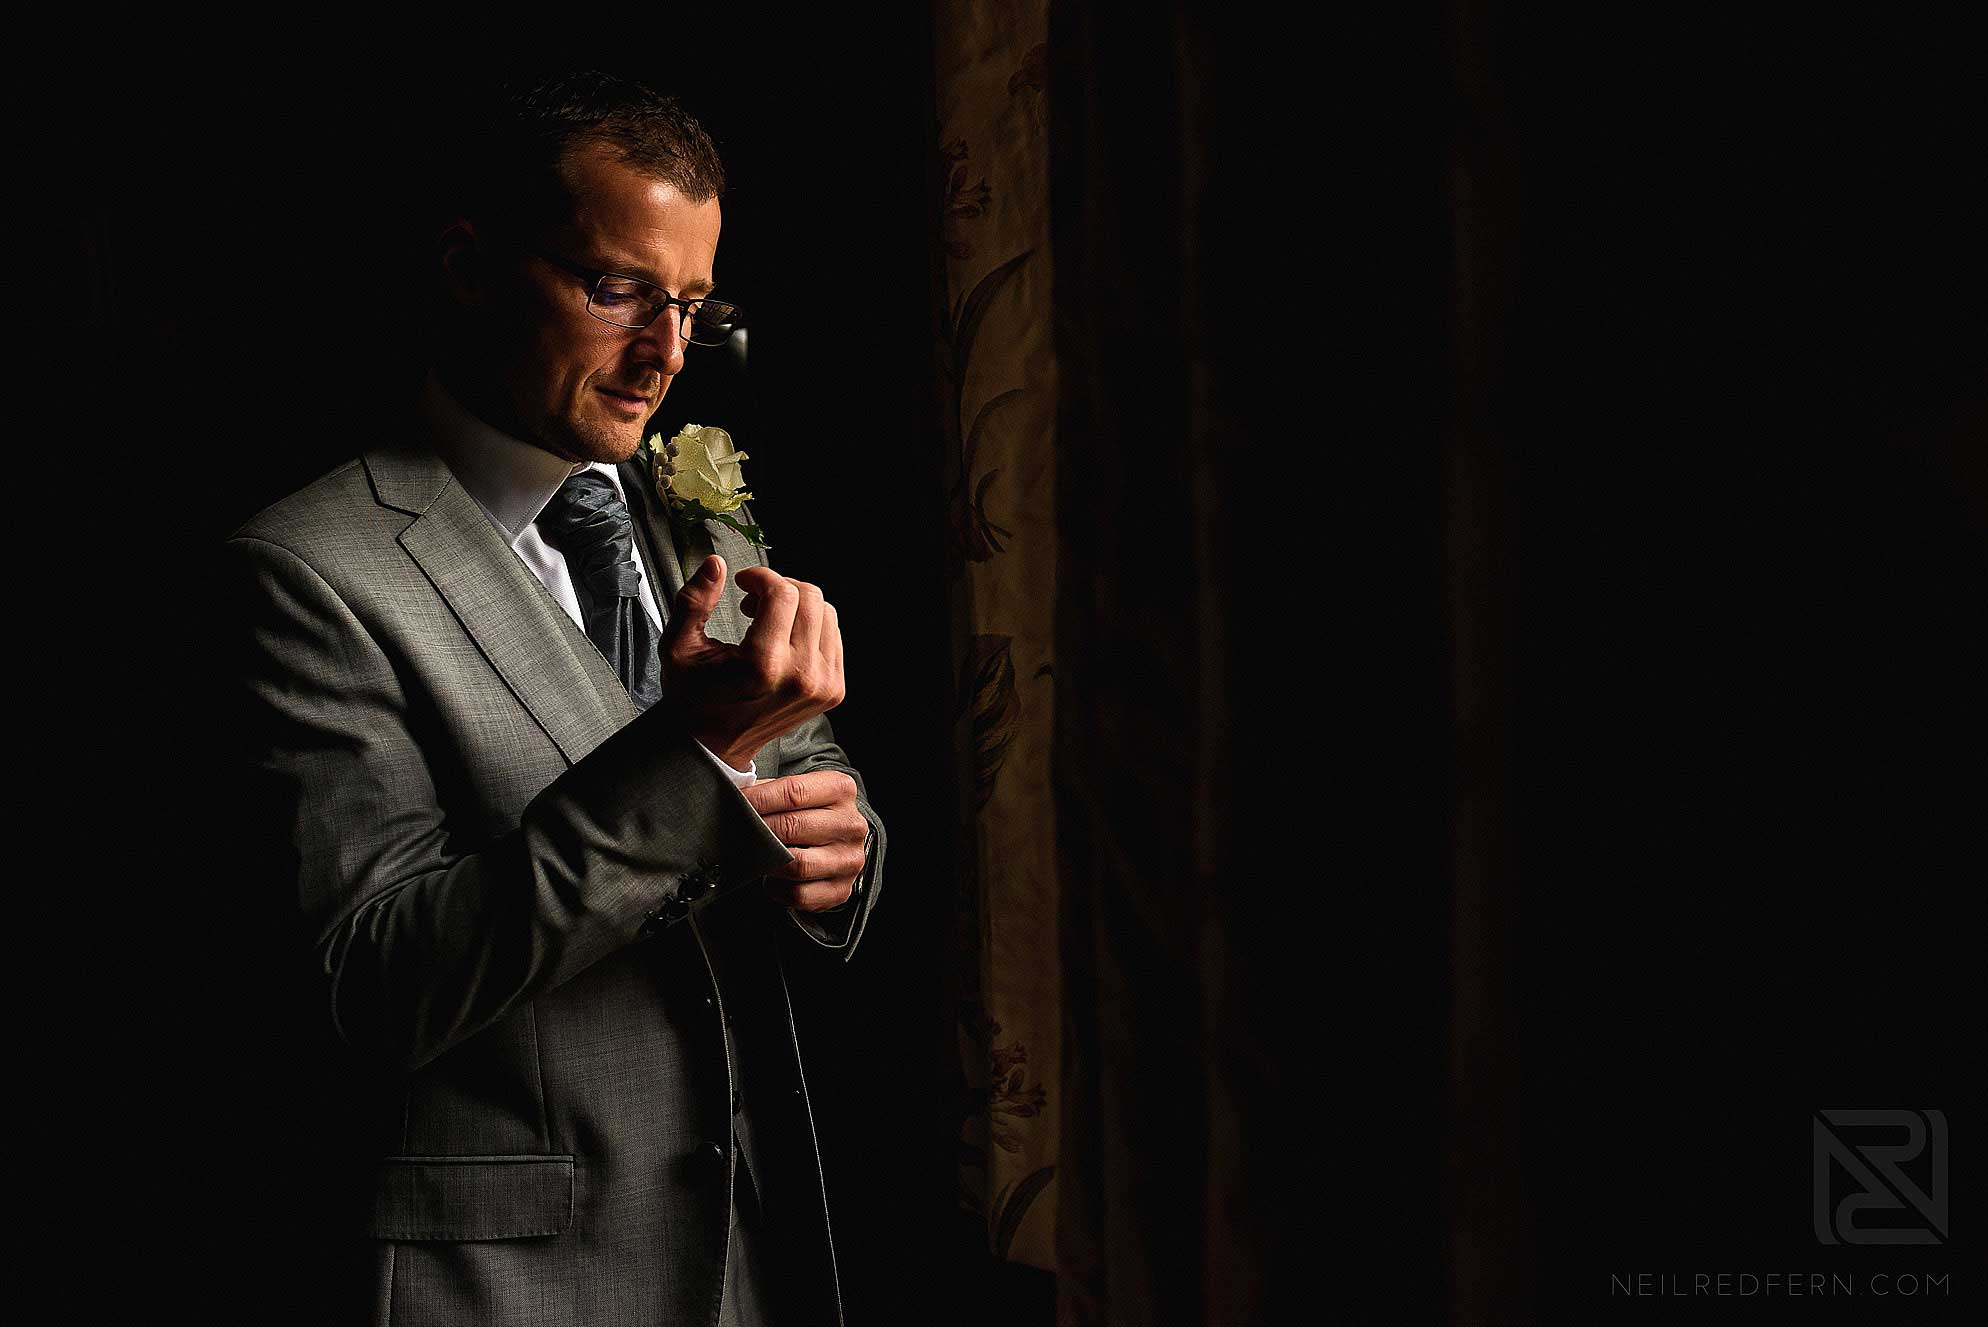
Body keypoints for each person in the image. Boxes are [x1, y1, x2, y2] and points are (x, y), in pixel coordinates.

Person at [219, 70, 885, 1325]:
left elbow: (806, 767)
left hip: (745, 1261)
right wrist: (693, 764)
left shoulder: (695, 510)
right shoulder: (306, 571)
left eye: (691, 306)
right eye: (617, 290)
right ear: (469, 265)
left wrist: (836, 845)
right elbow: (372, 981)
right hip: (499, 1283)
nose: (665, 358)